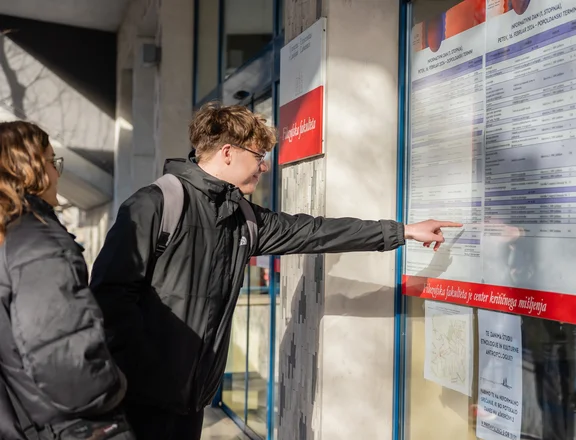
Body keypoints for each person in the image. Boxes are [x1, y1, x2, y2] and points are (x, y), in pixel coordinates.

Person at [90, 103, 462, 440]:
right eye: (259, 155)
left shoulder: (243, 218)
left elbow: (316, 232)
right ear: (227, 152)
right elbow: (109, 298)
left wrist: (403, 231)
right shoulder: (155, 204)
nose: (264, 166)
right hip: (139, 402)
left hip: (191, 402)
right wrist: (143, 376)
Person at [0, 121, 134, 440]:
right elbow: (63, 362)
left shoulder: (9, 236)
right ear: (31, 169)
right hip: (71, 425)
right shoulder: (37, 243)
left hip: (28, 418)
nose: (58, 173)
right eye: (52, 161)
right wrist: (114, 386)